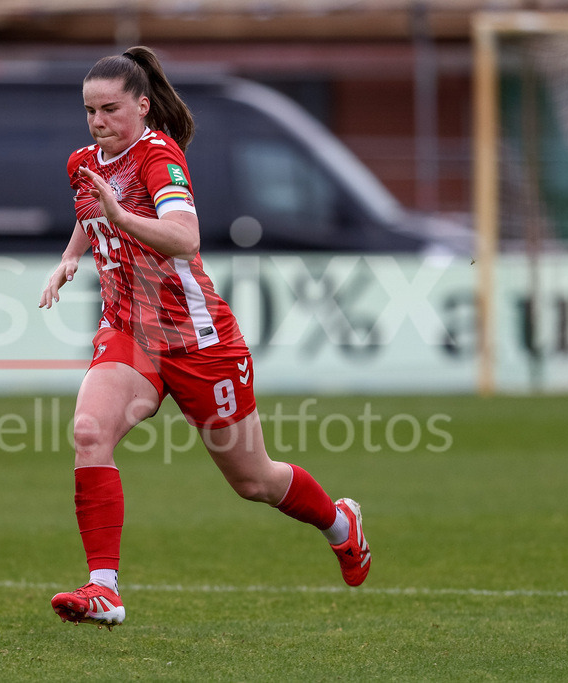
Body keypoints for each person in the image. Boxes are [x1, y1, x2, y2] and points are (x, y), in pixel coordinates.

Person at [38, 46, 371, 630]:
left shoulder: (158, 157)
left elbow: (184, 237)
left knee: (254, 481)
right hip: (128, 332)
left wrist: (121, 217)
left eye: (110, 109)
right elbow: (92, 210)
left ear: (143, 106)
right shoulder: (83, 162)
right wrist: (70, 256)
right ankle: (104, 589)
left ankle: (340, 522)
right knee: (89, 431)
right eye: (90, 110)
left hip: (197, 341)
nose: (98, 121)